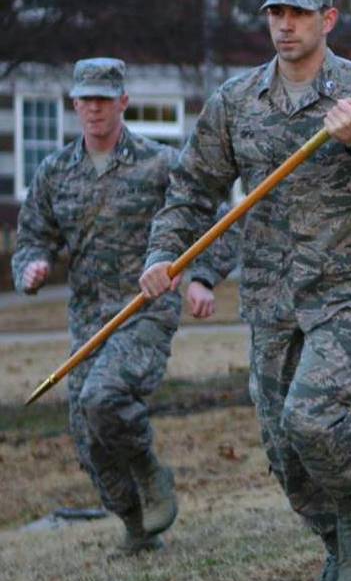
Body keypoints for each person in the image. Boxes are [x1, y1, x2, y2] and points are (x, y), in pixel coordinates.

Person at [140, 0, 351, 581]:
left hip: (347, 287)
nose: (285, 25)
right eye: (276, 13)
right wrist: (166, 254)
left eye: (299, 14)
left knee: (312, 416)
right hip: (272, 294)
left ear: (328, 19)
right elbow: (193, 187)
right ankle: (339, 541)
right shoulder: (238, 99)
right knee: (281, 443)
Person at [12, 59, 226, 555]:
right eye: (85, 100)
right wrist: (32, 269)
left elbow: (215, 222)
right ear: (74, 106)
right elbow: (31, 240)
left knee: (103, 399)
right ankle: (138, 528)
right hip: (89, 319)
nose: (94, 109)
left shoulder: (161, 163)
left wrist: (201, 279)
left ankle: (150, 472)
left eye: (104, 100)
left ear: (123, 103)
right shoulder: (55, 173)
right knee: (88, 436)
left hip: (146, 310)